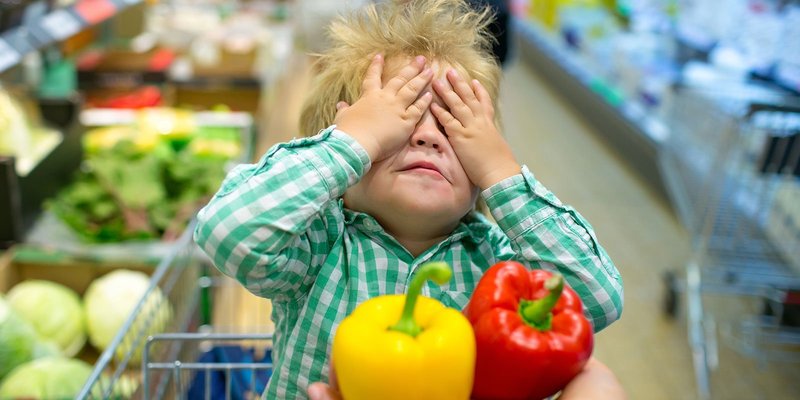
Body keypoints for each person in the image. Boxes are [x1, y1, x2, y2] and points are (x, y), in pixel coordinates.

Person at [193, 0, 624, 398]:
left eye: (455, 126)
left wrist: (502, 173)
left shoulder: (498, 263)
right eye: (399, 120)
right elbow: (227, 233)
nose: (427, 136)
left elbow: (597, 302)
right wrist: (350, 143)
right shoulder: (317, 245)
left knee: (598, 381)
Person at [307, 357, 627, 400]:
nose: (441, 162)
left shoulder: (496, 253)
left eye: (465, 162)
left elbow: (599, 301)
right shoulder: (321, 240)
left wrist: (499, 177)